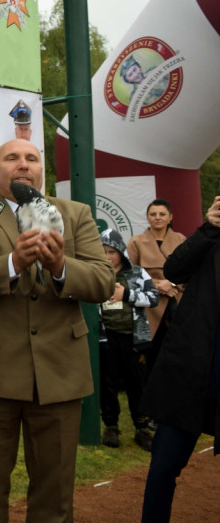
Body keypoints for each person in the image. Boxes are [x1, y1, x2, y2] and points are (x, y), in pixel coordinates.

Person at [0, 138, 113, 522]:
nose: (22, 164)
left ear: (42, 170)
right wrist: (12, 262)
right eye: (12, 157)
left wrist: (61, 268)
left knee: (54, 500)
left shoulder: (75, 213)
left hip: (59, 376)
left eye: (31, 158)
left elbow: (103, 280)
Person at [140, 196, 220, 522]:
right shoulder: (208, 238)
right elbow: (174, 269)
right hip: (189, 373)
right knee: (163, 469)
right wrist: (209, 228)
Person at [98, 229, 158, 452]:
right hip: (106, 339)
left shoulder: (138, 273)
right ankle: (111, 426)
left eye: (111, 252)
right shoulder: (96, 273)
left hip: (135, 339)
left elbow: (153, 298)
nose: (107, 257)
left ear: (121, 252)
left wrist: (128, 295)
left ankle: (142, 428)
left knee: (137, 384)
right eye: (103, 252)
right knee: (108, 384)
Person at [127, 199, 187, 340]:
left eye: (162, 214)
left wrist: (171, 284)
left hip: (177, 300)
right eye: (153, 214)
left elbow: (190, 271)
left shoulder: (181, 239)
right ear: (147, 217)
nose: (158, 218)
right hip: (149, 303)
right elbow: (129, 274)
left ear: (170, 217)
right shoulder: (136, 242)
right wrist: (158, 285)